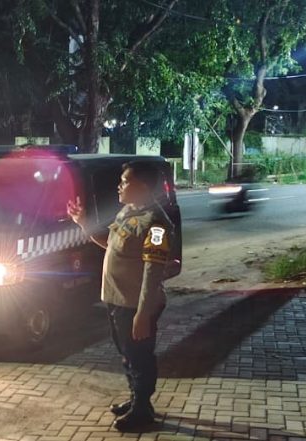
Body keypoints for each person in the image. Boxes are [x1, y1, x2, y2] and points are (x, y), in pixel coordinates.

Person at [67, 161, 175, 433]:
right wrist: (83, 222)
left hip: (135, 305)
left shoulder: (156, 224)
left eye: (125, 181)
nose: (119, 186)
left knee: (139, 357)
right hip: (117, 300)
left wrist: (143, 314)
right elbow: (110, 244)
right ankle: (136, 398)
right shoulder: (129, 212)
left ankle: (142, 411)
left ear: (143, 187)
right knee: (127, 354)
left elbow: (152, 272)